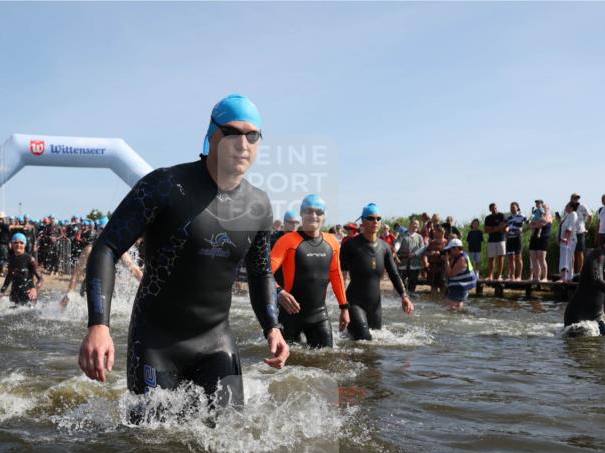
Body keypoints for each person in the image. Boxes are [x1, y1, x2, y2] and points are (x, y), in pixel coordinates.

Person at [78, 93, 288, 409]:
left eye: (252, 134)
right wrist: (99, 325)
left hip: (217, 342)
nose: (242, 143)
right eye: (232, 132)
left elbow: (261, 272)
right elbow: (107, 248)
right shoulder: (166, 184)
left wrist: (272, 326)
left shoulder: (258, 205)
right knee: (156, 449)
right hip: (155, 343)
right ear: (212, 135)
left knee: (228, 442)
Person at [269, 194, 348, 348]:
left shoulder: (332, 242)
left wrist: (344, 307)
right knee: (285, 368)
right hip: (289, 315)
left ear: (324, 216)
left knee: (327, 362)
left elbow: (336, 275)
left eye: (319, 212)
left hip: (319, 316)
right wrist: (279, 292)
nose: (313, 215)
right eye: (309, 211)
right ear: (301, 213)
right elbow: (266, 272)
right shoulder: (287, 240)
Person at [339, 203, 414, 340]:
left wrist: (404, 296)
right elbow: (342, 277)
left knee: (375, 346)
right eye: (371, 218)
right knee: (364, 339)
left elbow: (393, 274)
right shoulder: (350, 246)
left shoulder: (385, 247)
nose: (376, 221)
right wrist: (343, 307)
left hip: (375, 306)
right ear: (363, 220)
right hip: (354, 302)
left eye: (379, 218)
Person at [0, 233, 43, 305]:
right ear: (12, 244)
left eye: (21, 243)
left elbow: (41, 279)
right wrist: (2, 291)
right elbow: (9, 276)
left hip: (29, 296)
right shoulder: (11, 259)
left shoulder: (29, 259)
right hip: (14, 295)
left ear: (25, 244)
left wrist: (34, 288)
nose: (18, 245)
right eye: (15, 242)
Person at [444, 238, 476, 310]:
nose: (449, 252)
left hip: (461, 287)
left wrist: (446, 261)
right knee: (457, 307)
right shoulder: (459, 257)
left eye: (450, 250)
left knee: (448, 306)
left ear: (456, 249)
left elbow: (450, 274)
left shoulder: (461, 259)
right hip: (461, 287)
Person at [395, 219, 426, 295]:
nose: (416, 226)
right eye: (415, 223)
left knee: (412, 286)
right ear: (410, 224)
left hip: (415, 265)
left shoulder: (419, 237)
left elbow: (422, 248)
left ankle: (411, 301)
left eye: (417, 224)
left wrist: (414, 254)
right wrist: (395, 249)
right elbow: (398, 243)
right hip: (403, 264)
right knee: (400, 285)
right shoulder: (402, 235)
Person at [527, 199, 552, 282]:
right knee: (533, 257)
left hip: (543, 238)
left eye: (546, 208)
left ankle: (545, 277)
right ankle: (536, 277)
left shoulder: (549, 216)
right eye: (543, 207)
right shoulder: (537, 214)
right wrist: (534, 224)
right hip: (534, 237)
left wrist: (534, 224)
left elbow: (541, 224)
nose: (544, 209)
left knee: (541, 258)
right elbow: (531, 225)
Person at [558, 201, 581, 282]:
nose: (565, 207)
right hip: (566, 239)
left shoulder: (573, 214)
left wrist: (566, 238)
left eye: (567, 205)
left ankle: (563, 277)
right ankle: (569, 277)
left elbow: (570, 227)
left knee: (565, 258)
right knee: (569, 258)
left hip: (568, 240)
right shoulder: (568, 215)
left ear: (571, 207)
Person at [483, 203, 507, 280]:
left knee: (500, 258)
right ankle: (490, 275)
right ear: (490, 209)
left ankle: (499, 275)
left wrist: (492, 229)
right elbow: (486, 230)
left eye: (495, 208)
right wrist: (498, 228)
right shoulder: (488, 218)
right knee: (491, 258)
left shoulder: (501, 216)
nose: (494, 209)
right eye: (492, 208)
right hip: (491, 240)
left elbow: (503, 226)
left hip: (501, 239)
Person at [504, 202, 526, 281]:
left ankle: (519, 276)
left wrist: (522, 229)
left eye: (513, 207)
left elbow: (528, 224)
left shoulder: (522, 216)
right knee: (510, 258)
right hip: (510, 238)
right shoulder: (508, 217)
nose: (512, 208)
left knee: (518, 257)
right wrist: (506, 230)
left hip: (518, 238)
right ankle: (512, 276)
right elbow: (506, 226)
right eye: (511, 207)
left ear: (517, 208)